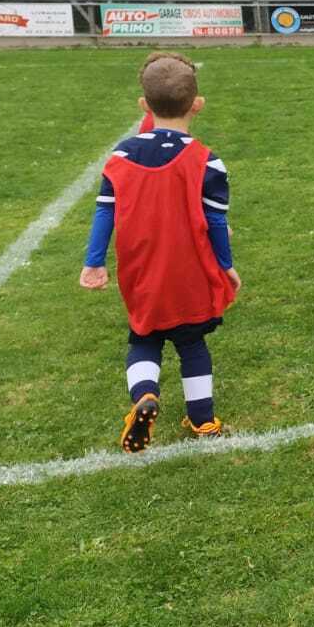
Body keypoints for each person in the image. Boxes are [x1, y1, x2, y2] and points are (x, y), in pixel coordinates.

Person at [79, 52, 240, 452]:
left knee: (144, 338)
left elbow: (105, 211)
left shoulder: (121, 155)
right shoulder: (208, 162)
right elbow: (216, 222)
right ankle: (203, 421)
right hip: (190, 270)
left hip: (141, 269)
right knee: (192, 343)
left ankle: (145, 395)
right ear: (197, 105)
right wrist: (226, 265)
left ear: (143, 105)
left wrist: (94, 262)